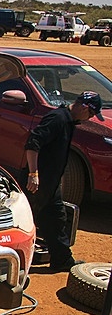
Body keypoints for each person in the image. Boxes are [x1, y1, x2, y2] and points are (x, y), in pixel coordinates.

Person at [24, 91, 104, 271]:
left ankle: (62, 260)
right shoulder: (57, 119)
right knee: (28, 219)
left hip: (51, 182)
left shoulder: (68, 121)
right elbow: (33, 143)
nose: (90, 118)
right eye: (91, 114)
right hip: (38, 181)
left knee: (57, 218)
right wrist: (33, 173)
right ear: (84, 107)